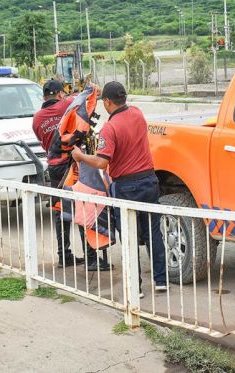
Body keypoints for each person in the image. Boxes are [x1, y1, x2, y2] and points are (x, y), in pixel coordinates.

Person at [71, 81, 167, 297]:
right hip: (149, 181)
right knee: (153, 233)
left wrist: (81, 157)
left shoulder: (110, 128)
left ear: (107, 102)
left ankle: (136, 288)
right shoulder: (138, 113)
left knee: (130, 237)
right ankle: (161, 280)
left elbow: (102, 163)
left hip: (126, 187)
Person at [33, 80, 93, 268]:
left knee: (60, 210)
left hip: (53, 166)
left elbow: (44, 143)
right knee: (83, 206)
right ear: (60, 94)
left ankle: (64, 255)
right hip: (72, 164)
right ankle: (91, 257)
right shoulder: (67, 105)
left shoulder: (36, 118)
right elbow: (83, 99)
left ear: (44, 97)